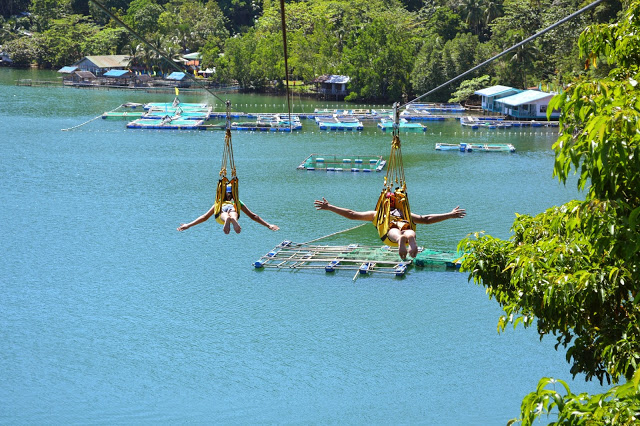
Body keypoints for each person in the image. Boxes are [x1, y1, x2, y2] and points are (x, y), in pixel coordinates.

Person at [314, 194, 466, 260]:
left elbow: (352, 214)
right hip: (405, 225)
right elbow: (426, 219)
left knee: (393, 231)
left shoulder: (377, 214)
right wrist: (450, 214)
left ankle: (401, 240)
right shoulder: (404, 213)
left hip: (390, 235)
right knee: (409, 231)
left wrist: (330, 207)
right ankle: (410, 240)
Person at [178, 185, 279, 234]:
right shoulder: (237, 201)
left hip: (222, 209)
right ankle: (232, 219)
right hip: (233, 207)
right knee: (234, 212)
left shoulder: (218, 203)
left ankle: (227, 219)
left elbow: (204, 217)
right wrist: (268, 225)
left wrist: (189, 225)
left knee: (222, 214)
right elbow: (253, 216)